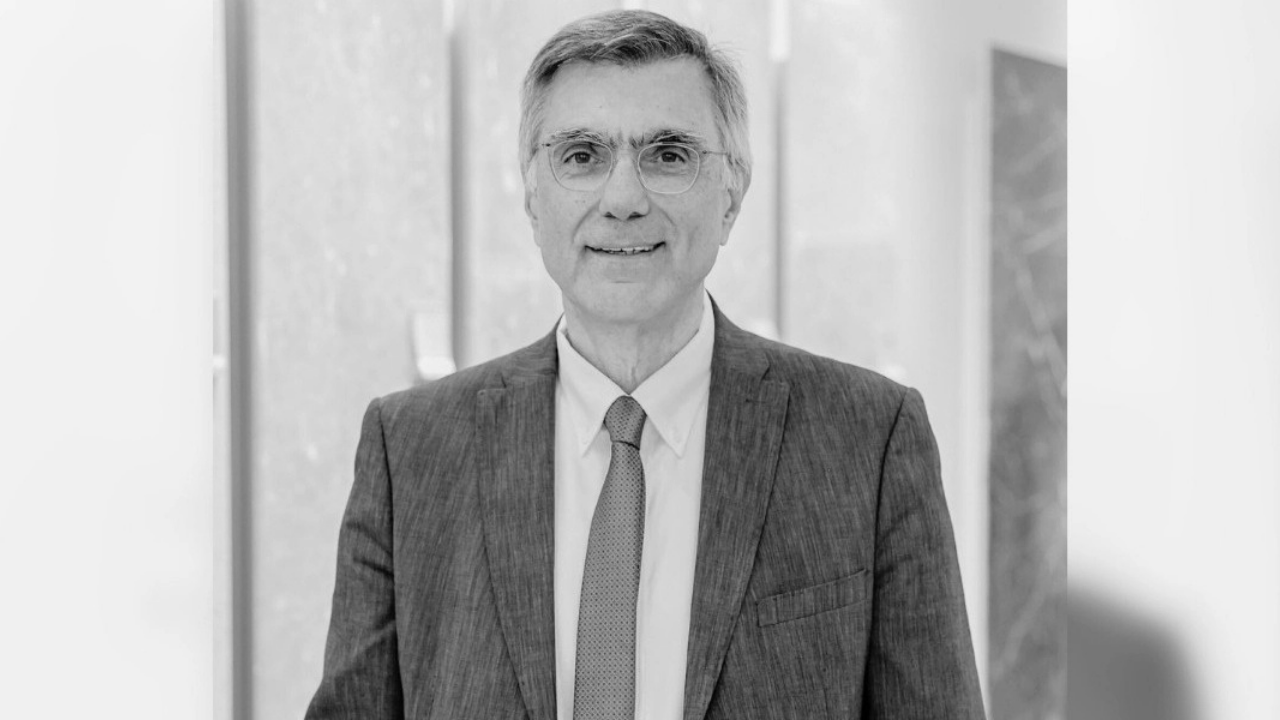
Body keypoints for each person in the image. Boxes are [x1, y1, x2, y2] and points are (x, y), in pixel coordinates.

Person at [306, 9, 983, 720]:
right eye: (581, 156)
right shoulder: (410, 450)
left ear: (732, 193)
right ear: (532, 195)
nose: (624, 199)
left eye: (668, 155)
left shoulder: (869, 441)